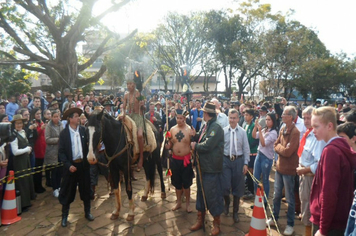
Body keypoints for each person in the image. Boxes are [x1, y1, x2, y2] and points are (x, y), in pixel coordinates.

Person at [310, 107, 356, 236]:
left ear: (330, 126)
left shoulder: (331, 151)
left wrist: (323, 230)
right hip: (338, 220)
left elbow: (329, 193)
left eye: (316, 127)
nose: (313, 131)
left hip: (329, 224)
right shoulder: (342, 146)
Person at [190, 102, 224, 236]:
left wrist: (195, 146)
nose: (202, 114)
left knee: (212, 194)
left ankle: (216, 223)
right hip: (202, 166)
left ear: (206, 113)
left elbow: (208, 145)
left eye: (203, 112)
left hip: (211, 168)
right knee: (200, 193)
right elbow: (203, 137)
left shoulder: (216, 127)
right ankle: (200, 218)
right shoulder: (206, 125)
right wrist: (196, 135)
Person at [58, 107, 94, 227]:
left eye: (79, 116)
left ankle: (87, 212)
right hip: (70, 167)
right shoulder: (64, 134)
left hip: (83, 166)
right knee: (67, 191)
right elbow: (61, 152)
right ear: (70, 119)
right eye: (76, 116)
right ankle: (64, 216)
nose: (79, 118)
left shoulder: (83, 131)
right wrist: (68, 165)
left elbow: (90, 145)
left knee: (86, 189)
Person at [267, 106, 300, 236]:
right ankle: (274, 218)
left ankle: (290, 224)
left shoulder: (295, 132)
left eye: (285, 114)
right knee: (276, 196)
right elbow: (276, 145)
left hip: (289, 170)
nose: (282, 116)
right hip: (279, 168)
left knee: (290, 199)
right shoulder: (282, 128)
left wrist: (280, 148)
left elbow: (288, 152)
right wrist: (282, 147)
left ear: (291, 116)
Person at [295, 106, 325, 236]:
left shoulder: (318, 138)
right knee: (305, 207)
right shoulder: (307, 134)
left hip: (309, 177)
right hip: (303, 175)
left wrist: (304, 170)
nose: (306, 121)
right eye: (304, 117)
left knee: (308, 210)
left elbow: (318, 164)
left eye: (309, 118)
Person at [221, 109, 250, 223]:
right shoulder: (223, 131)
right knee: (225, 186)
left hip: (238, 161)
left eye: (234, 118)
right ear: (228, 118)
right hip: (226, 161)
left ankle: (235, 212)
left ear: (238, 119)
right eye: (230, 118)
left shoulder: (242, 132)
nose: (232, 120)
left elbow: (246, 149)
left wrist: (246, 164)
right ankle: (227, 202)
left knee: (238, 188)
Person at [165, 109, 194, 213]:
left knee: (186, 183)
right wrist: (168, 145)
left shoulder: (189, 130)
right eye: (177, 118)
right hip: (175, 160)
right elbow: (170, 143)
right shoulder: (172, 129)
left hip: (185, 160)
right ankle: (178, 202)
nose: (179, 120)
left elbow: (193, 144)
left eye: (181, 118)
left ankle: (187, 204)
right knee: (177, 183)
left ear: (185, 119)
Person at [10, 114, 36, 212]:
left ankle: (28, 201)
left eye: (20, 123)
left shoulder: (23, 132)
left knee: (27, 179)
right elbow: (15, 152)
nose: (19, 125)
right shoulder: (13, 136)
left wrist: (28, 149)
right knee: (21, 182)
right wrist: (26, 149)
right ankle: (22, 204)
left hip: (25, 160)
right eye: (17, 123)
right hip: (19, 162)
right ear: (14, 124)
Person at [252, 113, 278, 207]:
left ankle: (265, 201)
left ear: (273, 121)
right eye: (266, 119)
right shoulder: (264, 130)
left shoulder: (274, 133)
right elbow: (254, 136)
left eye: (269, 120)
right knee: (255, 178)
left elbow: (263, 143)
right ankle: (258, 200)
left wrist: (259, 130)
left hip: (267, 158)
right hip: (259, 155)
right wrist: (255, 127)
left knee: (265, 180)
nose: (267, 121)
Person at [121, 77, 145, 170]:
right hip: (129, 117)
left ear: (134, 85)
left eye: (131, 84)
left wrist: (142, 106)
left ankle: (141, 157)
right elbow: (123, 107)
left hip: (138, 116)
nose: (129, 86)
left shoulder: (139, 93)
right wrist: (123, 114)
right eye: (127, 84)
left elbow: (144, 108)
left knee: (139, 135)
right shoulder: (126, 95)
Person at [44, 110, 64, 198]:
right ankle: (55, 188)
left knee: (60, 170)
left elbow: (63, 135)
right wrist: (58, 140)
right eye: (54, 116)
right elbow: (47, 139)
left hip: (60, 151)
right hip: (52, 152)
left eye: (58, 116)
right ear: (52, 117)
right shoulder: (49, 126)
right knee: (54, 171)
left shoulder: (61, 124)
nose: (56, 118)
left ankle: (59, 186)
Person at [243, 108, 259, 199]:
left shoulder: (253, 125)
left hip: (252, 152)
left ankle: (252, 191)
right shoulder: (245, 125)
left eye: (247, 115)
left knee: (251, 172)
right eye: (245, 115)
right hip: (247, 152)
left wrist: (247, 147)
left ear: (252, 117)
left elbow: (256, 140)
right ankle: (248, 188)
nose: (245, 116)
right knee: (247, 172)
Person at [31, 108, 47, 193]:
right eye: (37, 114)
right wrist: (41, 128)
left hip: (43, 147)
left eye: (39, 113)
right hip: (37, 149)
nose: (39, 115)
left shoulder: (41, 122)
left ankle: (40, 185)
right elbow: (35, 135)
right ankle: (37, 187)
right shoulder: (34, 124)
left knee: (40, 169)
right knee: (37, 169)